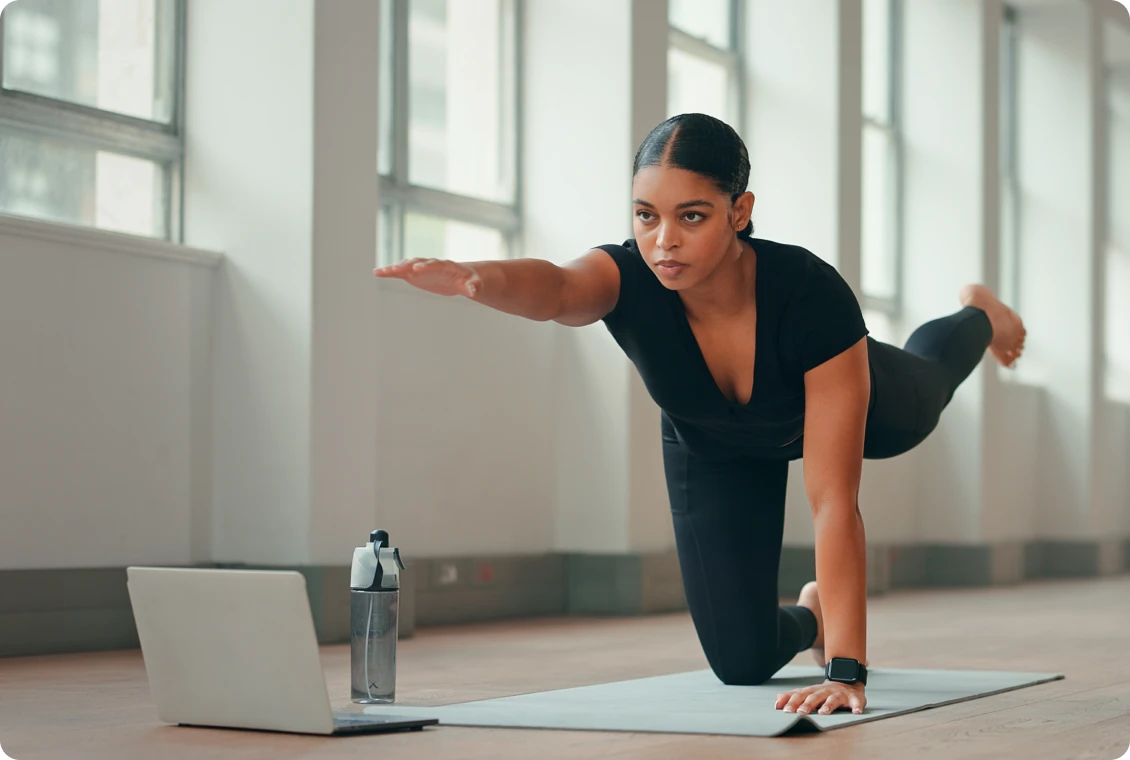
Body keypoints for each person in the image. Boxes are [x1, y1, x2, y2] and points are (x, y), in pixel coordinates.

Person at [374, 113, 1027, 718]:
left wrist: (847, 671)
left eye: (691, 216)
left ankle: (979, 312)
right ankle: (811, 614)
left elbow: (833, 503)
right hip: (715, 446)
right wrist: (473, 278)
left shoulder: (810, 295)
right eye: (646, 216)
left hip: (860, 398)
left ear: (739, 211)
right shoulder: (627, 278)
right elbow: (559, 289)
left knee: (931, 386)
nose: (664, 242)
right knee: (741, 664)